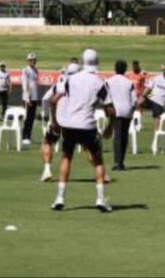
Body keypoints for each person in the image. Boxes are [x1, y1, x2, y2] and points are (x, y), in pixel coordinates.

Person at [48, 49, 112, 212]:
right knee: (98, 160)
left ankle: (59, 198)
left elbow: (53, 100)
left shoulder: (71, 79)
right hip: (87, 125)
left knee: (66, 157)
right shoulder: (99, 82)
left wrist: (55, 121)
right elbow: (110, 109)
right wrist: (109, 126)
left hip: (69, 124)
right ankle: (100, 199)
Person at [40, 61, 77, 182]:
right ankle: (101, 171)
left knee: (48, 142)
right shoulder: (82, 87)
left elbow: (45, 99)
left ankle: (47, 170)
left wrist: (46, 115)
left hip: (58, 120)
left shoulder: (59, 85)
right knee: (89, 146)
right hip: (75, 121)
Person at [105, 60, 137, 171]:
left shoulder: (109, 81)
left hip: (116, 110)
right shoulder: (129, 82)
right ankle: (121, 161)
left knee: (117, 137)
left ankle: (117, 162)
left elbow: (106, 97)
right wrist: (132, 111)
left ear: (115, 68)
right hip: (127, 110)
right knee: (124, 136)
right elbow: (134, 101)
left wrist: (108, 110)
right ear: (125, 69)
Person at [21, 53, 40, 145]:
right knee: (27, 118)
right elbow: (25, 84)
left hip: (35, 97)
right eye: (31, 60)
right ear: (28, 61)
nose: (33, 61)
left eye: (34, 60)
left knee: (32, 118)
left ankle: (28, 135)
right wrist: (27, 97)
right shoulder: (25, 70)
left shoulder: (36, 70)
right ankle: (24, 136)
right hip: (28, 97)